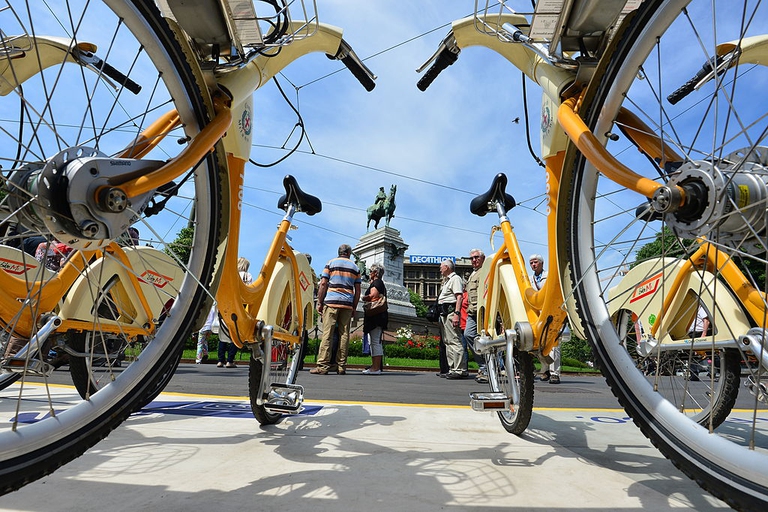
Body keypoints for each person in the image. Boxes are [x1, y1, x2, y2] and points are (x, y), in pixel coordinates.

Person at [311, 244, 361, 375]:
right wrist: (354, 307)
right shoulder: (355, 267)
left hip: (331, 302)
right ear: (349, 253)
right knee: (344, 335)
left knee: (327, 333)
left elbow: (323, 284)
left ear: (339, 252)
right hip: (347, 304)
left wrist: (320, 302)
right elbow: (358, 290)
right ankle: (341, 366)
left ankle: (323, 365)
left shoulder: (330, 263)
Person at [529, 253, 561, 384]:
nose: (533, 265)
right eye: (531, 263)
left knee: (554, 343)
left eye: (535, 262)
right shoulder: (529, 279)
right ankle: (545, 370)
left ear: (541, 263)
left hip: (552, 312)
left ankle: (555, 373)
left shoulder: (549, 276)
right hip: (538, 315)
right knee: (540, 343)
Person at [437, 258, 466, 379]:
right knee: (447, 341)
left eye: (441, 267)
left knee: (454, 340)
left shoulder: (455, 279)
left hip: (450, 312)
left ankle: (460, 369)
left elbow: (459, 297)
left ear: (447, 267)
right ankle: (452, 368)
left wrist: (456, 313)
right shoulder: (447, 281)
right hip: (444, 313)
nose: (440, 269)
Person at [463, 249, 488, 383]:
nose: (473, 260)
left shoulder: (486, 271)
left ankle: (487, 369)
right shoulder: (473, 274)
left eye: (476, 257)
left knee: (486, 341)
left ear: (483, 258)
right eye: (471, 258)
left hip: (483, 312)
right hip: (472, 312)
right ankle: (484, 366)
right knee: (469, 335)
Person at [361, 263, 387, 375]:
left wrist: (363, 297)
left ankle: (376, 368)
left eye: (370, 272)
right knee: (374, 341)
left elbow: (373, 296)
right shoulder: (379, 283)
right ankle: (375, 366)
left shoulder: (376, 283)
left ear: (375, 273)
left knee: (375, 342)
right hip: (378, 316)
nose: (369, 274)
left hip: (375, 316)